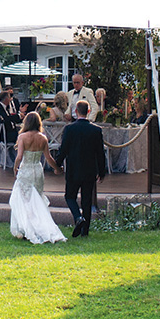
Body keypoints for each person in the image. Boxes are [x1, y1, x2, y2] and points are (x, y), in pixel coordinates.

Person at [9, 112, 66, 244]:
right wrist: (57, 168)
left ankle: (26, 229)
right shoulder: (43, 138)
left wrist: (15, 168)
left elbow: (19, 156)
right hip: (37, 170)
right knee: (37, 200)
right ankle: (36, 227)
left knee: (24, 200)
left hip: (26, 170)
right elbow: (48, 157)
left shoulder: (23, 136)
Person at [55, 100, 107, 237]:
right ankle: (85, 231)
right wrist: (102, 171)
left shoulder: (69, 129)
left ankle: (78, 218)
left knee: (70, 196)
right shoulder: (96, 130)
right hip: (89, 170)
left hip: (73, 168)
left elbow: (63, 149)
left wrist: (57, 164)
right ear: (88, 111)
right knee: (86, 200)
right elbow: (100, 153)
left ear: (76, 112)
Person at [0, 90, 23, 163]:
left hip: (11, 131)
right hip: (6, 135)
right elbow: (6, 119)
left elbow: (10, 117)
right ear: (6, 99)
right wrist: (18, 116)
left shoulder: (5, 108)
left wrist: (19, 117)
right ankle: (20, 160)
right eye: (9, 97)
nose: (10, 99)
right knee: (24, 137)